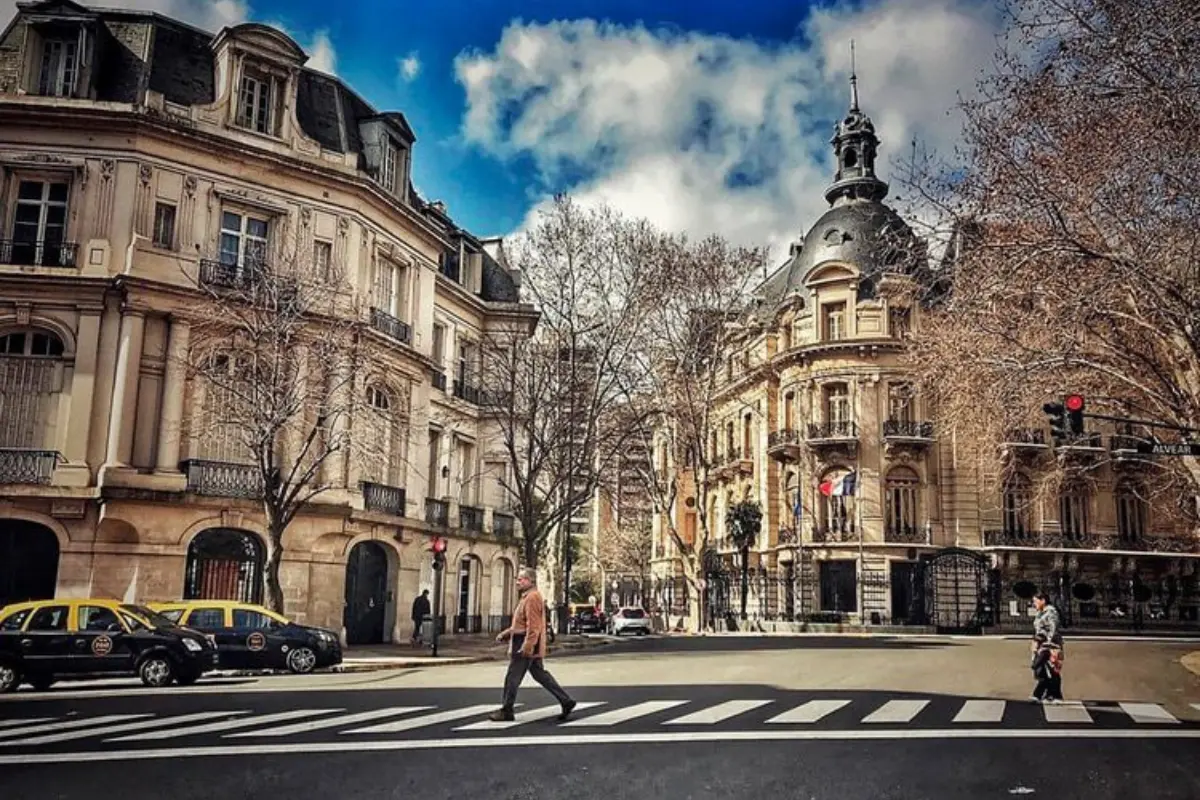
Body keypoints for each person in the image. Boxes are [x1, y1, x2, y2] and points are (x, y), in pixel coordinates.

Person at [489, 567, 576, 722]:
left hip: (524, 643)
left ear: (530, 581)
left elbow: (533, 626)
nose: (517, 582)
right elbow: (521, 623)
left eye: (521, 579)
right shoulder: (527, 597)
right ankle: (566, 701)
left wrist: (528, 646)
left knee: (512, 677)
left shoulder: (532, 598)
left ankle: (507, 710)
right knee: (540, 675)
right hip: (525, 641)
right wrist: (507, 633)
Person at [1029, 592, 1065, 703]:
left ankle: (1054, 695)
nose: (1034, 604)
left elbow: (1053, 628)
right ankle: (1046, 694)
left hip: (1050, 645)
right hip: (1041, 644)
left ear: (1043, 600)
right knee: (1042, 670)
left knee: (1052, 670)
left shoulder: (1051, 612)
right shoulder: (1040, 613)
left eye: (1036, 601)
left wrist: (1048, 643)